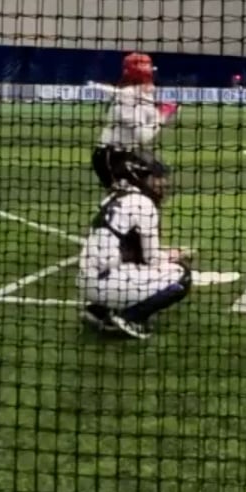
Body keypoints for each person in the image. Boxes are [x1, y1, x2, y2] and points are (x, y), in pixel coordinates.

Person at [78, 153, 193, 340]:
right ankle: (129, 319)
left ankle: (98, 311)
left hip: (88, 280)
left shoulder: (116, 196)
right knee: (182, 276)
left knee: (133, 266)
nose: (163, 182)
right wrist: (174, 255)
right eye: (157, 177)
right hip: (107, 282)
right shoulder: (143, 204)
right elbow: (151, 259)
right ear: (141, 177)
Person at [92, 52, 176, 190]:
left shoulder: (144, 95)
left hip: (129, 152)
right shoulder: (128, 97)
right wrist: (163, 115)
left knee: (160, 169)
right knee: (136, 193)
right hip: (112, 156)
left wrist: (160, 113)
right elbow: (143, 136)